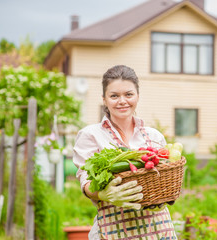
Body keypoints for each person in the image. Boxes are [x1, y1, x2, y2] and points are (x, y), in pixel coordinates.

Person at [73, 65, 177, 240]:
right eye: (114, 96)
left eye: (128, 94)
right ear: (104, 99)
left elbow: (167, 178)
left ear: (137, 96)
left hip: (159, 230)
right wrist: (102, 194)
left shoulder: (154, 136)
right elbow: (86, 180)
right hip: (113, 229)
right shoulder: (90, 135)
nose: (122, 101)